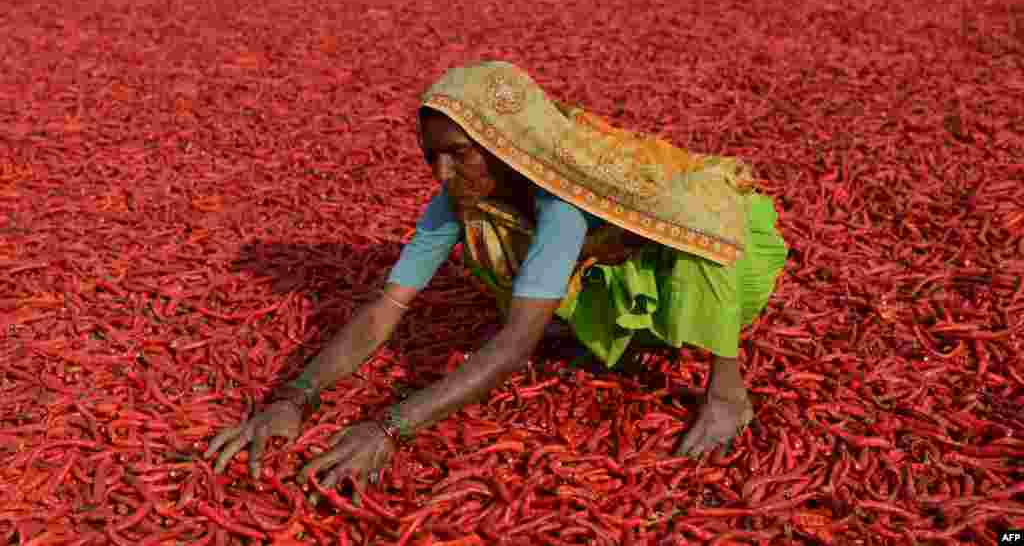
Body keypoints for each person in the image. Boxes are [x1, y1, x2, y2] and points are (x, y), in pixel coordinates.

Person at [205, 61, 789, 493]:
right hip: (611, 247)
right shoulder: (460, 197)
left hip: (721, 240)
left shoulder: (560, 203)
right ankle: (598, 322)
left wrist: (387, 429)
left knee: (692, 241)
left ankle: (727, 390)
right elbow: (387, 306)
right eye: (431, 155)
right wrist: (293, 398)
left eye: (458, 153)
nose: (442, 171)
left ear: (503, 147)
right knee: (518, 269)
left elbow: (512, 347)